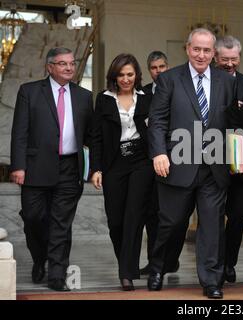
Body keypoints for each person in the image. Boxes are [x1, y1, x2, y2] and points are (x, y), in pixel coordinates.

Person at [147, 28, 238, 299]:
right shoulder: (169, 79)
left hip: (214, 167)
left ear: (214, 53)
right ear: (187, 49)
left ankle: (211, 281)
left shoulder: (226, 81)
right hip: (177, 163)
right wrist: (159, 153)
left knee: (212, 226)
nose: (201, 55)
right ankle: (157, 267)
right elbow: (158, 119)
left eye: (207, 50)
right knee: (171, 224)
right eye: (196, 49)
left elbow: (230, 122)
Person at [10, 47, 93, 291]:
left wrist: (96, 166)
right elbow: (19, 132)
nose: (69, 67)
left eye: (71, 63)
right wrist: (18, 166)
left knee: (61, 224)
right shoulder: (30, 92)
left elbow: (91, 135)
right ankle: (39, 259)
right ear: (50, 67)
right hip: (35, 167)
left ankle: (57, 276)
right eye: (62, 63)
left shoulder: (84, 96)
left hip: (69, 168)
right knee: (33, 217)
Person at [90, 53, 154, 291]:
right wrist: (95, 168)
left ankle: (126, 273)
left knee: (134, 217)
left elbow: (156, 130)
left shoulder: (147, 98)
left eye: (130, 74)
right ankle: (125, 264)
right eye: (121, 75)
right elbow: (96, 137)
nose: (126, 79)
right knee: (115, 220)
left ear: (137, 75)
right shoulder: (104, 99)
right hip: (114, 163)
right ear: (114, 77)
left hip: (141, 162)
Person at [213, 35, 243, 284]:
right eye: (224, 60)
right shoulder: (205, 82)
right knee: (213, 216)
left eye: (234, 59)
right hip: (210, 162)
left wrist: (242, 160)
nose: (230, 64)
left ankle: (229, 262)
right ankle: (215, 266)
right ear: (215, 58)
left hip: (241, 167)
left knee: (240, 214)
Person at [139, 50, 182, 276]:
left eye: (162, 67)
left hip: (173, 160)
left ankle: (171, 260)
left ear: (168, 66)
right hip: (147, 161)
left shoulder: (177, 89)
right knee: (151, 214)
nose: (158, 71)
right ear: (149, 71)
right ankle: (153, 262)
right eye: (154, 68)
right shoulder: (143, 94)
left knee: (172, 216)